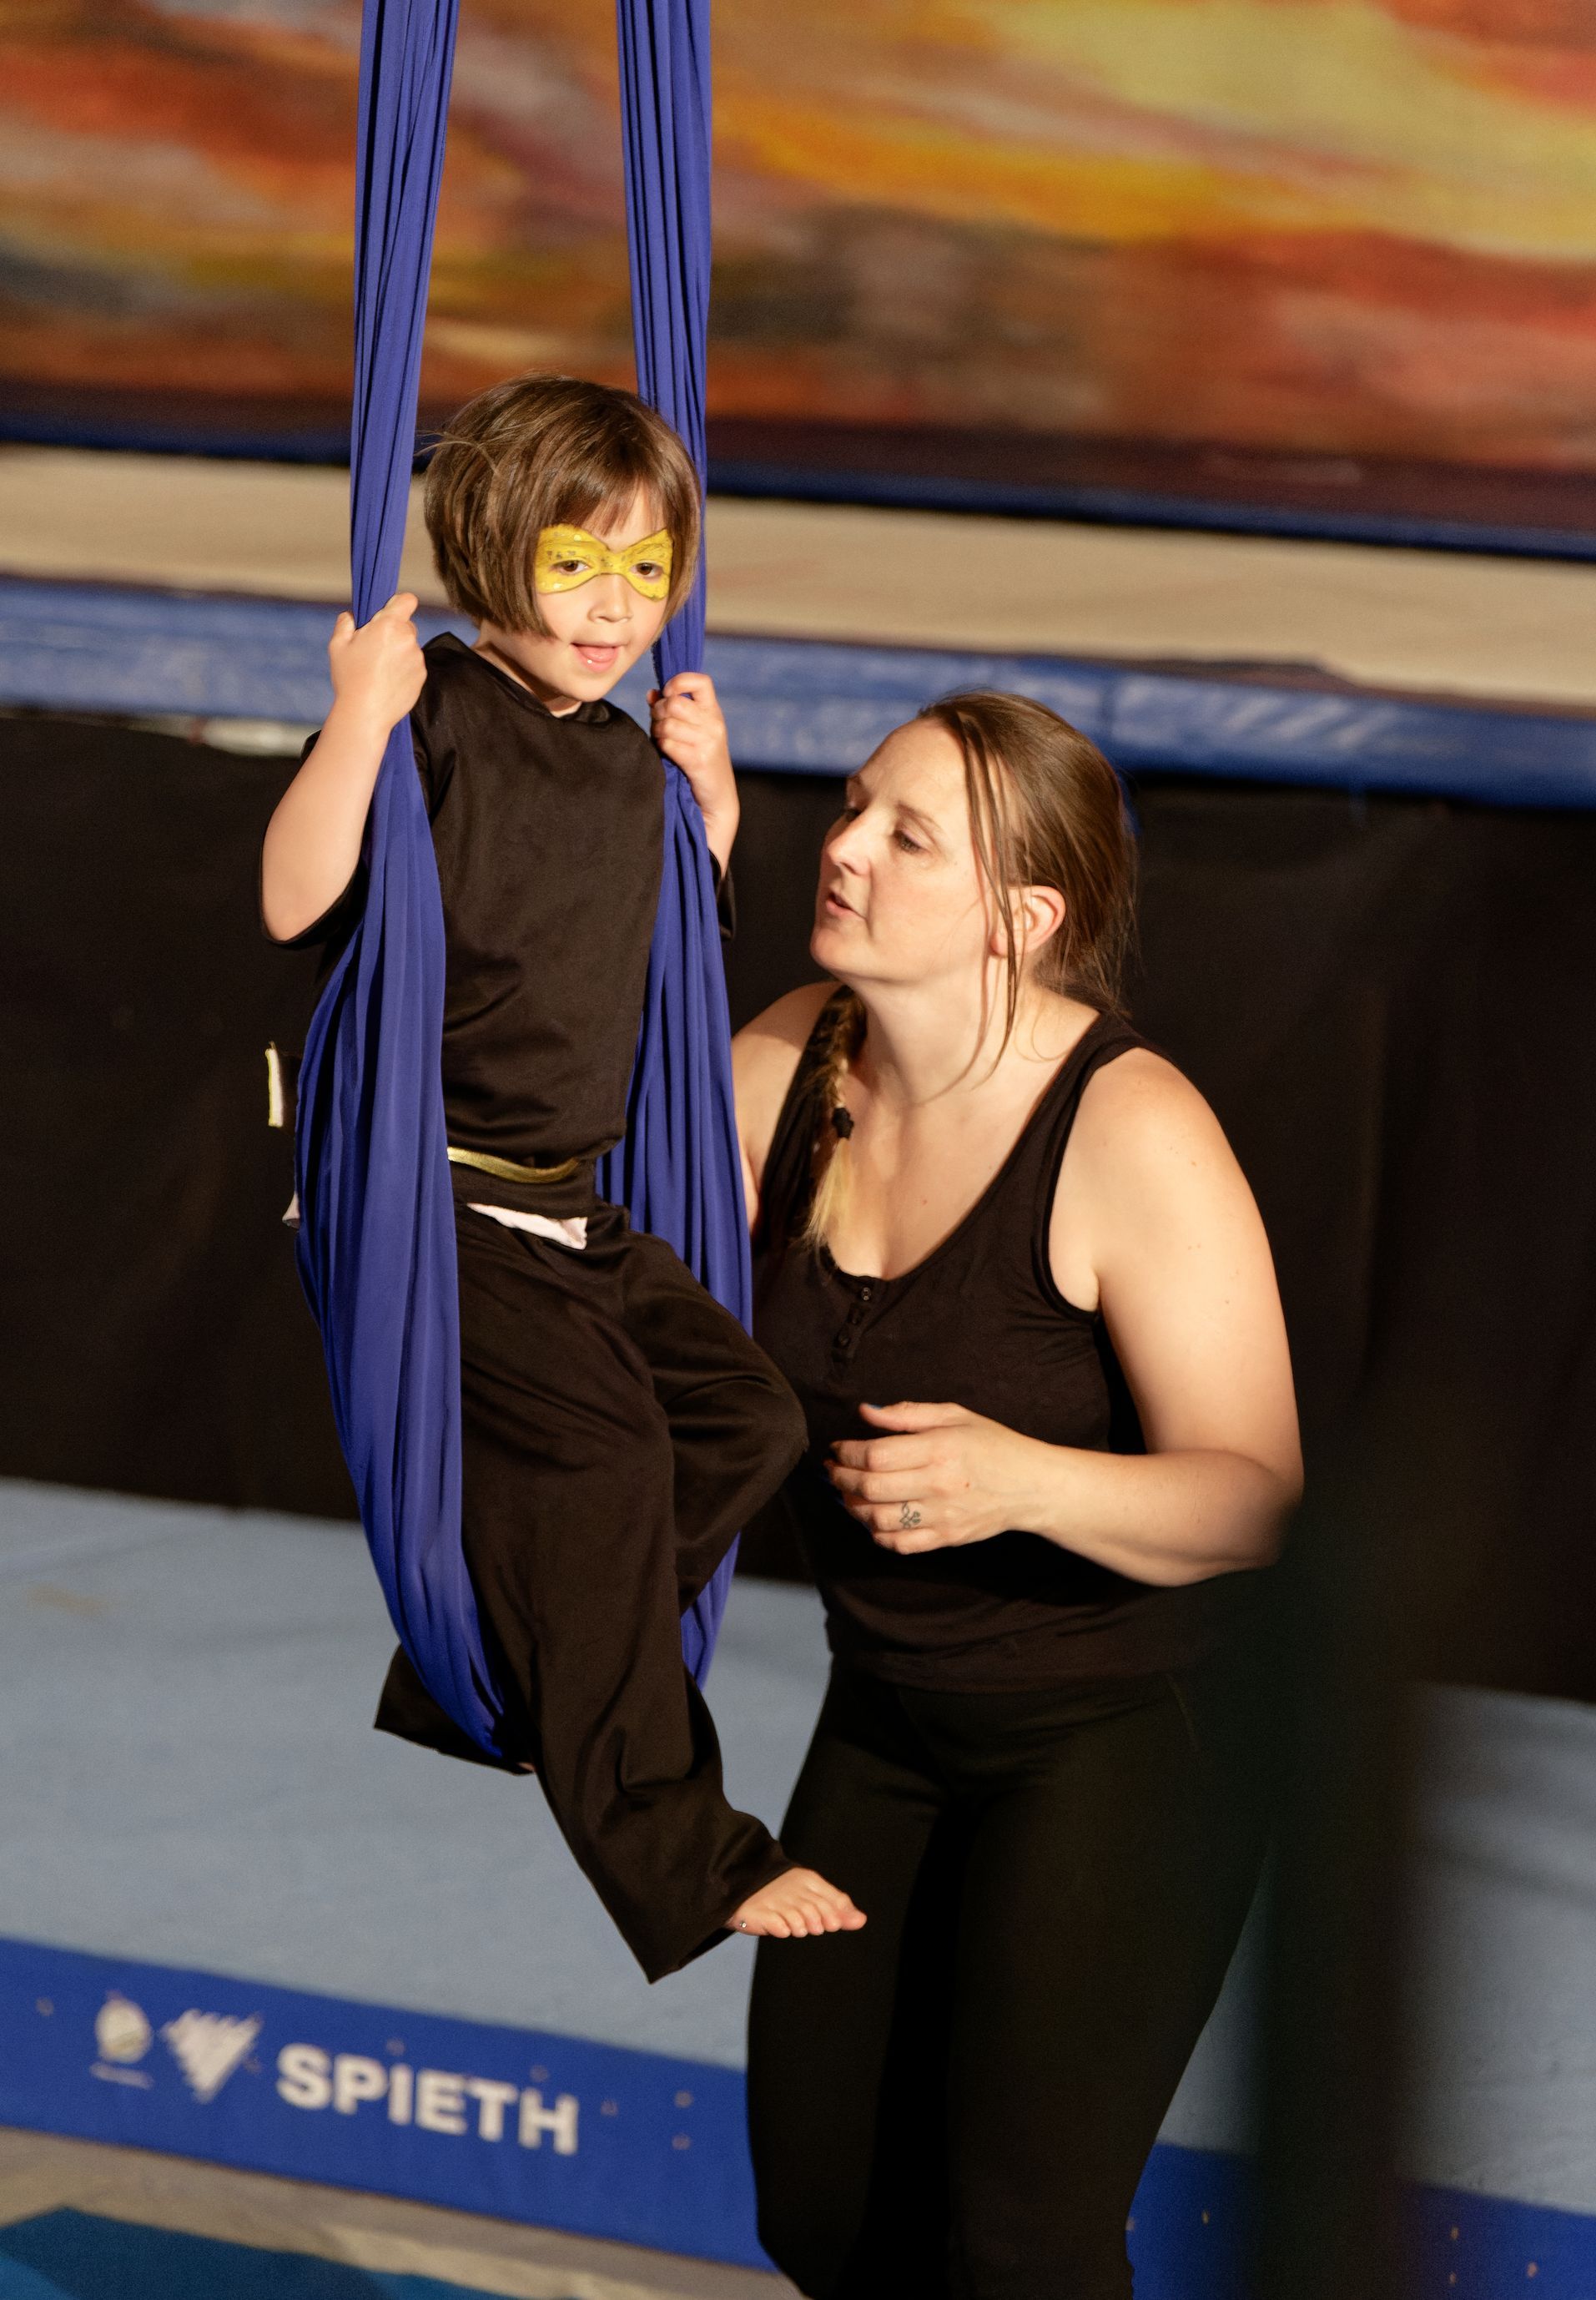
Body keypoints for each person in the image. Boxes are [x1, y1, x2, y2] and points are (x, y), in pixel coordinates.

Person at [260, 373, 863, 1980]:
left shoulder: (628, 757)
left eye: (647, 572)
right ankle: (682, 1846)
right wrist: (356, 720)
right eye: (576, 566)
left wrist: (717, 814)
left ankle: (532, 1673)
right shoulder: (436, 715)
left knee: (746, 1424)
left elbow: (655, 958)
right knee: (600, 1485)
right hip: (441, 1213)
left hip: (576, 1205)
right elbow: (289, 900)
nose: (615, 609)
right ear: (485, 547)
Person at [733, 691, 1301, 2295]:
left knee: (1021, 2247)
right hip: (893, 1715)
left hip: (1128, 1737)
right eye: (851, 808)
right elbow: (605, 1283)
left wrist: (1024, 1478)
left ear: (1022, 917)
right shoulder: (784, 1063)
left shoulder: (1129, 1125)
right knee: (829, 2219)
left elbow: (1261, 1498)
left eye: (908, 837)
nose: (842, 848)